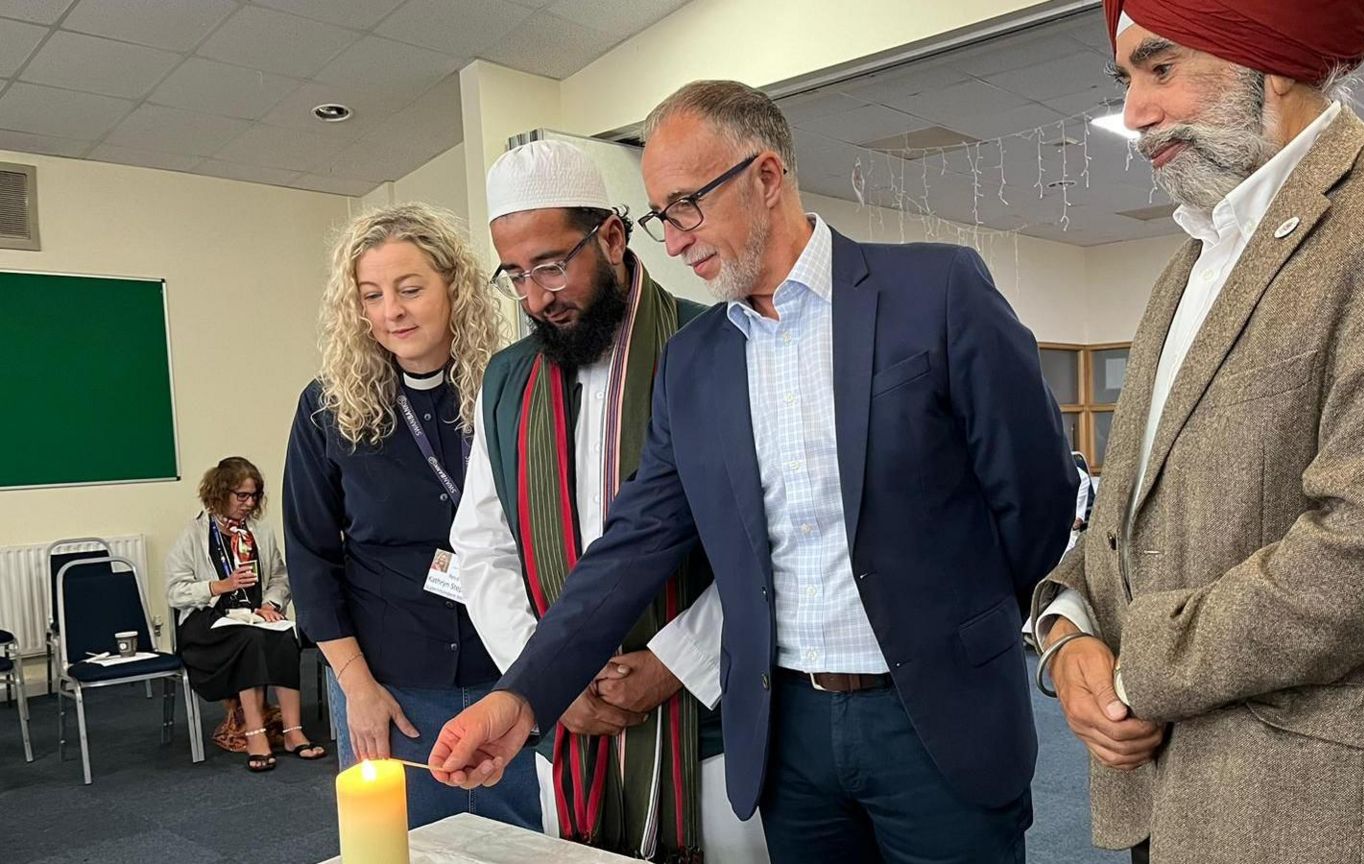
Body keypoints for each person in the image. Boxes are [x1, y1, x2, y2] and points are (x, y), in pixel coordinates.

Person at [431, 80, 1077, 864]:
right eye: (660, 217)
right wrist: (521, 694)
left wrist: (960, 622)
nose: (671, 242)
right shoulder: (696, 362)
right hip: (788, 736)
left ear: (766, 177)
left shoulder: (936, 292)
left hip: (933, 718)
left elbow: (1038, 495)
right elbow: (635, 543)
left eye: (685, 207)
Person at [1030, 2, 1364, 862]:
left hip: (1335, 815)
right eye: (1127, 82)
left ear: (1272, 56)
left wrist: (1135, 662)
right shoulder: (1185, 269)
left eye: (1161, 68)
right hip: (1164, 798)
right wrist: (1067, 633)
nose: (1137, 113)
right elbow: (1127, 519)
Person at [453, 138, 767, 860]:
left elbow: (764, 535)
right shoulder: (505, 379)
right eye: (517, 276)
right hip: (566, 730)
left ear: (614, 237)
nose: (536, 298)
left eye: (554, 266)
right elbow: (482, 544)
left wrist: (675, 664)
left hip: (705, 727)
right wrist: (549, 677)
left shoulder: (717, 342)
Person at [283, 203, 539, 829]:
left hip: (512, 677)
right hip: (391, 692)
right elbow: (310, 559)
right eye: (371, 295)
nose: (391, 311)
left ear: (454, 287)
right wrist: (356, 690)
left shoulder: (519, 387)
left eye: (410, 289)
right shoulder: (327, 409)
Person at [167, 456, 324, 772]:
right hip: (207, 623)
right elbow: (175, 591)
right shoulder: (194, 535)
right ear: (221, 493)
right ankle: (256, 735)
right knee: (250, 640)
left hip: (253, 615)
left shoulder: (259, 533)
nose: (249, 503)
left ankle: (293, 732)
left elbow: (280, 577)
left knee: (283, 634)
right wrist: (219, 586)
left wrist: (271, 604)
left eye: (254, 496)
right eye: (242, 496)